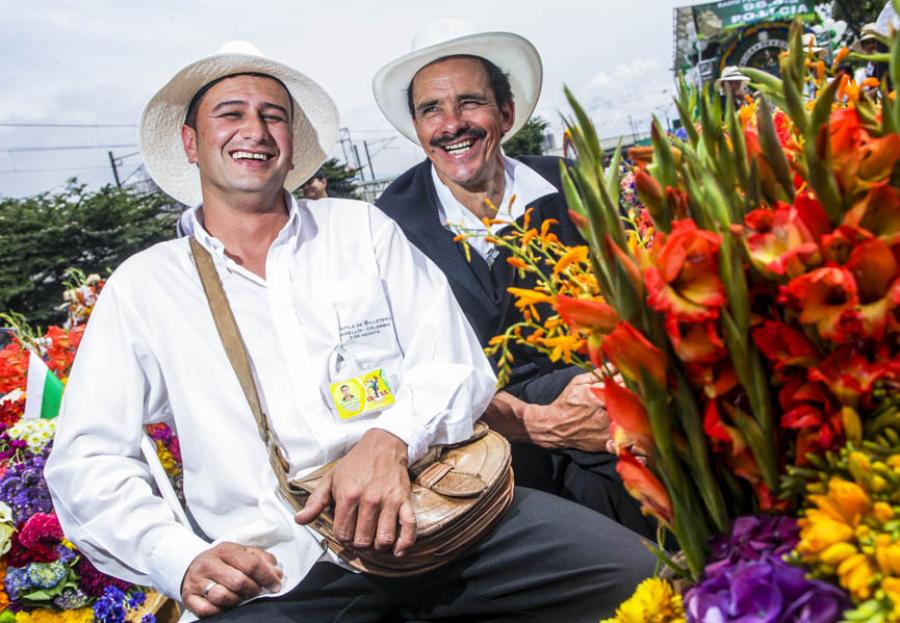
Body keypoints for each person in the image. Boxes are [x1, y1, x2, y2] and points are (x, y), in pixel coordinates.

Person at [45, 41, 654, 622]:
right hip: (282, 571)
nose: (254, 131)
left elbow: (454, 364)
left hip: (445, 514)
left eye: (273, 116)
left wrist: (388, 438)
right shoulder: (146, 286)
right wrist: (175, 556)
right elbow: (88, 458)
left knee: (645, 583)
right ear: (191, 142)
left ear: (291, 138)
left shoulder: (361, 229)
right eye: (231, 115)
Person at [373, 20, 656, 538]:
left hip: (605, 427)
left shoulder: (573, 184)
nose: (451, 123)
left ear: (505, 113)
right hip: (479, 456)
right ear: (416, 127)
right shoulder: (387, 224)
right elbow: (402, 371)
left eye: (469, 102)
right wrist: (538, 423)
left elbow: (636, 306)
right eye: (431, 109)